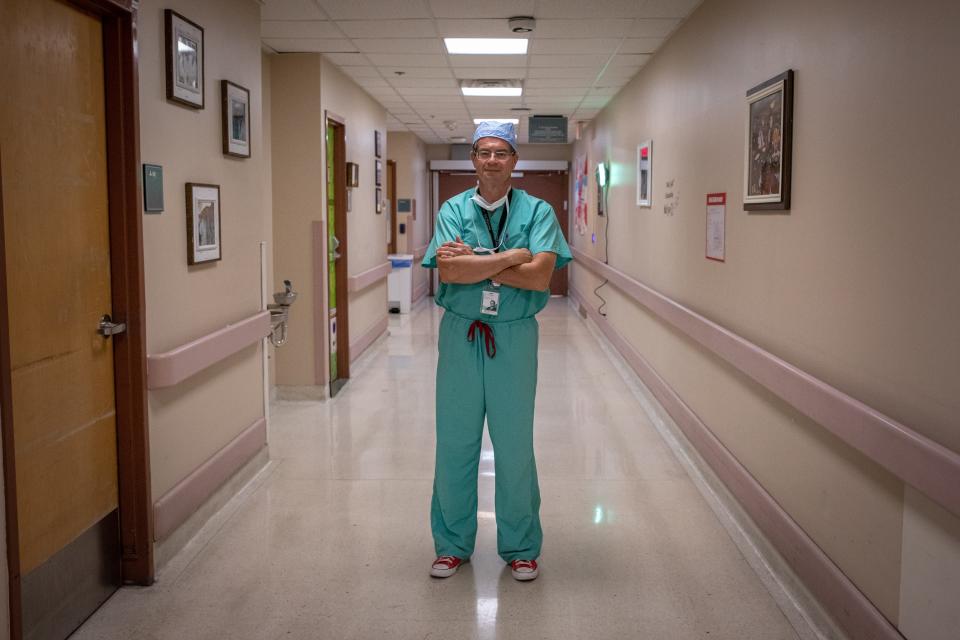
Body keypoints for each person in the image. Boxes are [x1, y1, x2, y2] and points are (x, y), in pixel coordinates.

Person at [421, 121, 572, 581]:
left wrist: (477, 263)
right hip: (462, 334)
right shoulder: (452, 208)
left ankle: (521, 547)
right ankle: (451, 545)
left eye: (501, 152)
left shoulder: (539, 211)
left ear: (514, 160)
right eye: (483, 152)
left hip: (513, 336)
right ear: (472, 159)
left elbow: (540, 276)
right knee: (455, 442)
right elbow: (449, 274)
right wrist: (510, 257)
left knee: (514, 445)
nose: (492, 160)